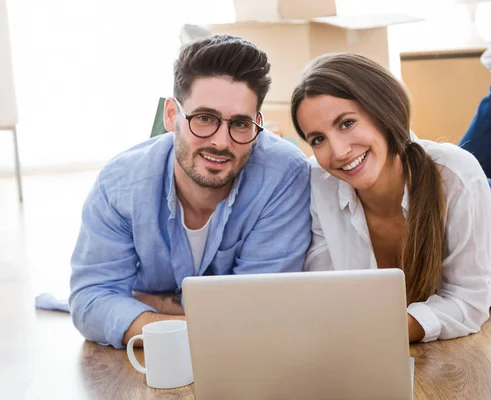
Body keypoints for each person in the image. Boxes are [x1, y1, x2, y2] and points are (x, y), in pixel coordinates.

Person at [291, 27, 491, 343]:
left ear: (383, 111)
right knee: (454, 164)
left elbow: (467, 302)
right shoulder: (319, 181)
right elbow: (324, 289)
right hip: (441, 177)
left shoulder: (458, 176)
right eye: (318, 139)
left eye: (347, 123)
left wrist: (384, 331)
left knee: (458, 166)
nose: (337, 151)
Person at [69, 35, 311, 349]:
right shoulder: (120, 185)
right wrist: (211, 321)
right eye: (205, 119)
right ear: (171, 115)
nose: (221, 142)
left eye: (240, 123)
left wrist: (150, 305)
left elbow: (261, 312)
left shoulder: (283, 175)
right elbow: (91, 304)